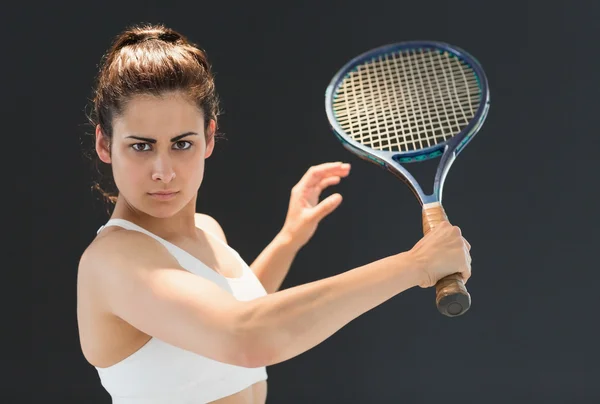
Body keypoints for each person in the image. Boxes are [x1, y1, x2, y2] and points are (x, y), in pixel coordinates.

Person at [77, 23, 472, 404]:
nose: (163, 170)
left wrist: (288, 239)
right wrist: (414, 265)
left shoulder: (206, 231)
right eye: (141, 147)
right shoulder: (113, 261)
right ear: (105, 144)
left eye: (182, 144)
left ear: (209, 138)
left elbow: (227, 319)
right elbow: (246, 337)